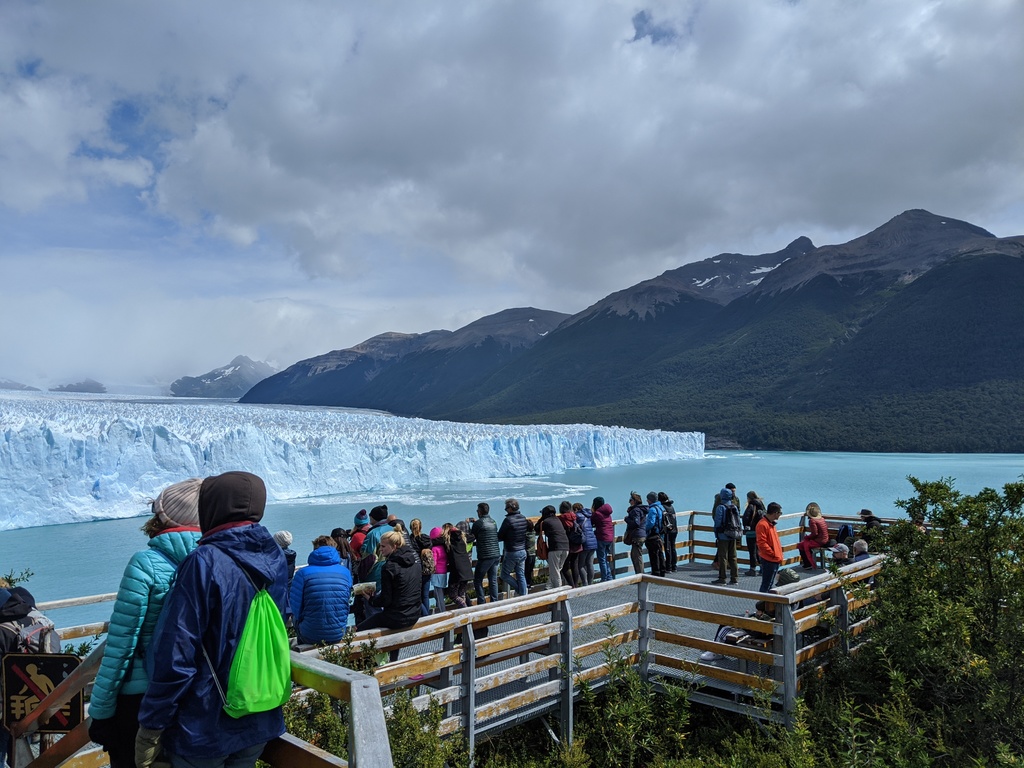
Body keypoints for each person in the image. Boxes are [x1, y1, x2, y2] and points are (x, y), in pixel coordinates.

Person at [135, 471, 288, 768]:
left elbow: (177, 654)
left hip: (204, 727)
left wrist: (151, 725)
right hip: (260, 716)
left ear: (211, 507)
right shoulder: (276, 558)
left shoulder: (203, 562)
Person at [88, 479, 203, 768]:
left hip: (139, 699)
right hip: (190, 694)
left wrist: (100, 713)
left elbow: (121, 645)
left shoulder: (146, 563)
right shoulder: (211, 560)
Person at [1, 581, 60, 764]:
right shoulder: (31, 612)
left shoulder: (2, 631)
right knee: (22, 757)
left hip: (5, 707)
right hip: (34, 703)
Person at [355, 531, 422, 663]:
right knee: (391, 630)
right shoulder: (414, 562)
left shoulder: (389, 567)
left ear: (394, 546)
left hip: (397, 617)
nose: (380, 549)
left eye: (383, 547)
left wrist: (371, 599)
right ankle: (392, 662)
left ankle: (369, 663)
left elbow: (386, 600)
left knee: (360, 629)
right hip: (414, 614)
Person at [290, 535, 353, 645]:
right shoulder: (345, 572)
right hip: (338, 633)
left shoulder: (302, 574)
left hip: (310, 634)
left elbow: (296, 608)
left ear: (314, 550)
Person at [497, 498, 529, 596]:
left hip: (512, 551)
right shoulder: (523, 518)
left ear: (510, 508)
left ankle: (519, 590)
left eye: (506, 508)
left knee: (504, 575)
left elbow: (500, 536)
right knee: (521, 575)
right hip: (522, 550)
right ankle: (523, 595)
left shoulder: (508, 520)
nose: (505, 510)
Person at [472, 502, 500, 604]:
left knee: (477, 580)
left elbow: (471, 536)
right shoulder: (493, 522)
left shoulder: (478, 523)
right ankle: (494, 602)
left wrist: (467, 523)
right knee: (492, 580)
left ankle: (482, 602)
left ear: (479, 512)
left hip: (485, 556)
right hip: (496, 555)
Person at [711, 488, 741, 585]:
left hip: (723, 535)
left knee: (723, 557)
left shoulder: (721, 507)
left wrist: (717, 533)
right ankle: (734, 578)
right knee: (733, 557)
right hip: (733, 534)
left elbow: (717, 522)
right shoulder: (734, 507)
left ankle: (722, 578)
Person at [536, 505, 569, 588]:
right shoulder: (558, 520)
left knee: (555, 571)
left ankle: (559, 592)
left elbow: (536, 528)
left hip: (555, 548)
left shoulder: (546, 522)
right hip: (566, 547)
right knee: (557, 569)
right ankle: (548, 587)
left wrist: (541, 519)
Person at [756, 502, 784, 593]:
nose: (780, 515)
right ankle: (762, 604)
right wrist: (773, 554)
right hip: (769, 559)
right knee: (766, 584)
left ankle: (766, 605)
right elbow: (761, 543)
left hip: (774, 559)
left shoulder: (771, 524)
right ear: (775, 513)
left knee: (769, 584)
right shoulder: (763, 524)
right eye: (780, 513)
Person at [445, 524, 474, 609]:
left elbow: (436, 541)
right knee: (462, 594)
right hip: (467, 570)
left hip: (457, 571)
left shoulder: (449, 539)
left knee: (453, 595)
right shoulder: (462, 538)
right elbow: (472, 537)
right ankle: (465, 614)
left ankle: (465, 608)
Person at [797, 502, 831, 569]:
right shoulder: (822, 519)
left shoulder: (812, 521)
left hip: (820, 541)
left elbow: (815, 533)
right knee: (805, 544)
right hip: (825, 539)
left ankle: (808, 564)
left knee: (801, 545)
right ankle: (809, 563)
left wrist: (807, 537)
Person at [591, 497, 616, 581]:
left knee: (602, 559)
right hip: (610, 537)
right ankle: (609, 577)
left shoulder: (597, 514)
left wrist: (592, 511)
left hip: (602, 538)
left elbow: (591, 521)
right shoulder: (607, 512)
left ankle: (604, 579)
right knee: (605, 559)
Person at [742, 491, 766, 575]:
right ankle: (762, 568)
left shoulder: (751, 506)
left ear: (749, 498)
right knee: (760, 550)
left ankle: (752, 569)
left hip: (751, 532)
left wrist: (745, 526)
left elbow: (746, 518)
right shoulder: (762, 506)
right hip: (760, 532)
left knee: (752, 551)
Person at [558, 501, 582, 587]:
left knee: (564, 567)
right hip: (577, 544)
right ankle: (575, 585)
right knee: (574, 565)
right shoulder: (574, 516)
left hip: (567, 545)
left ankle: (572, 586)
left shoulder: (561, 518)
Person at [624, 492, 648, 574]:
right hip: (642, 534)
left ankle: (640, 576)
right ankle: (640, 574)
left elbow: (636, 523)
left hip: (637, 536)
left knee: (636, 556)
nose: (629, 502)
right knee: (636, 555)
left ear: (634, 501)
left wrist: (627, 519)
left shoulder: (636, 510)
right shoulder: (642, 509)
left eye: (630, 500)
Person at [645, 491, 667, 577]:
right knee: (660, 552)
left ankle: (655, 572)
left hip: (653, 535)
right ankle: (662, 570)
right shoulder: (661, 507)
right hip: (661, 534)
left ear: (650, 500)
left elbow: (651, 523)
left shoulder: (652, 509)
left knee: (653, 554)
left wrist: (644, 529)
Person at [428, 526, 450, 613]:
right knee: (441, 592)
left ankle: (442, 611)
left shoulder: (434, 549)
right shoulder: (444, 547)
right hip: (444, 571)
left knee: (438, 593)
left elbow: (434, 562)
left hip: (437, 573)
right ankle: (440, 610)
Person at [576, 502, 597, 586]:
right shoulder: (588, 516)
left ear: (576, 509)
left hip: (585, 542)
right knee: (590, 563)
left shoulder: (577, 516)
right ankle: (591, 583)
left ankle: (585, 584)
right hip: (593, 541)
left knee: (580, 565)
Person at [659, 492, 679, 572]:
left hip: (668, 530)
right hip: (674, 529)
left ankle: (668, 566)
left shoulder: (663, 507)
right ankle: (674, 566)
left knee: (667, 548)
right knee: (673, 548)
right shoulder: (671, 506)